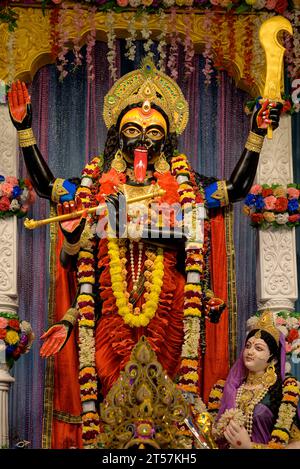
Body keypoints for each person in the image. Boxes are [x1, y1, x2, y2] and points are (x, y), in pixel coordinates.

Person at [8, 60, 281, 448]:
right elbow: (47, 184)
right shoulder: (97, 189)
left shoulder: (183, 187)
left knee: (167, 412)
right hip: (110, 324)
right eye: (133, 130)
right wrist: (25, 130)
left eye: (154, 132)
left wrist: (256, 133)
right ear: (118, 136)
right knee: (111, 414)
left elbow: (234, 188)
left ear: (166, 139)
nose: (143, 140)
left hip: (168, 319)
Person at [208, 310, 300, 449]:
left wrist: (249, 447)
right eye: (248, 346)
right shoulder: (229, 388)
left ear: (273, 359)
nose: (250, 352)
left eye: (258, 348)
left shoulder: (282, 392)